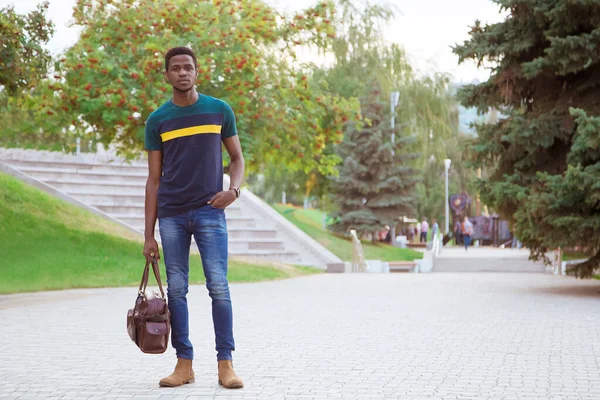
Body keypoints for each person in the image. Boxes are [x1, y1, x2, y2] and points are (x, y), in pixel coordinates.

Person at [143, 47, 245, 389]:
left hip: (209, 211)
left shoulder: (219, 110)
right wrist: (148, 235)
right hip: (170, 213)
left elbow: (237, 158)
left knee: (219, 287)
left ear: (197, 72)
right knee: (177, 290)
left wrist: (234, 191)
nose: (183, 73)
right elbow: (153, 180)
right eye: (176, 68)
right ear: (167, 75)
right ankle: (183, 365)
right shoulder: (157, 120)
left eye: (188, 67)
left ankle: (225, 365)